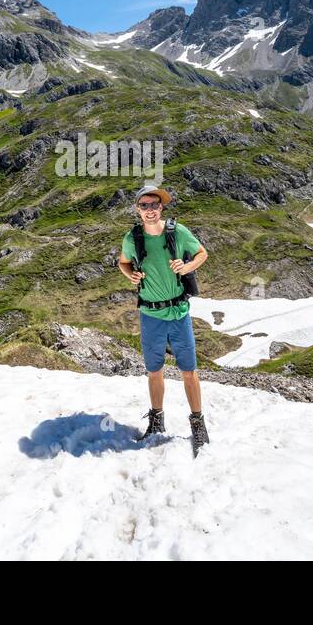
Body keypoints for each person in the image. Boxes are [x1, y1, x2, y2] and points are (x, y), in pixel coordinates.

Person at [117, 184, 210, 454]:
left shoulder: (177, 232)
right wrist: (129, 275)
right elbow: (123, 262)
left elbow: (202, 253)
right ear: (137, 209)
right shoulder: (132, 239)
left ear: (162, 207)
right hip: (150, 315)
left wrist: (187, 265)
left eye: (154, 205)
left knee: (189, 371)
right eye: (144, 205)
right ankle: (157, 420)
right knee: (154, 371)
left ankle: (198, 423)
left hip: (179, 313)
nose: (149, 210)